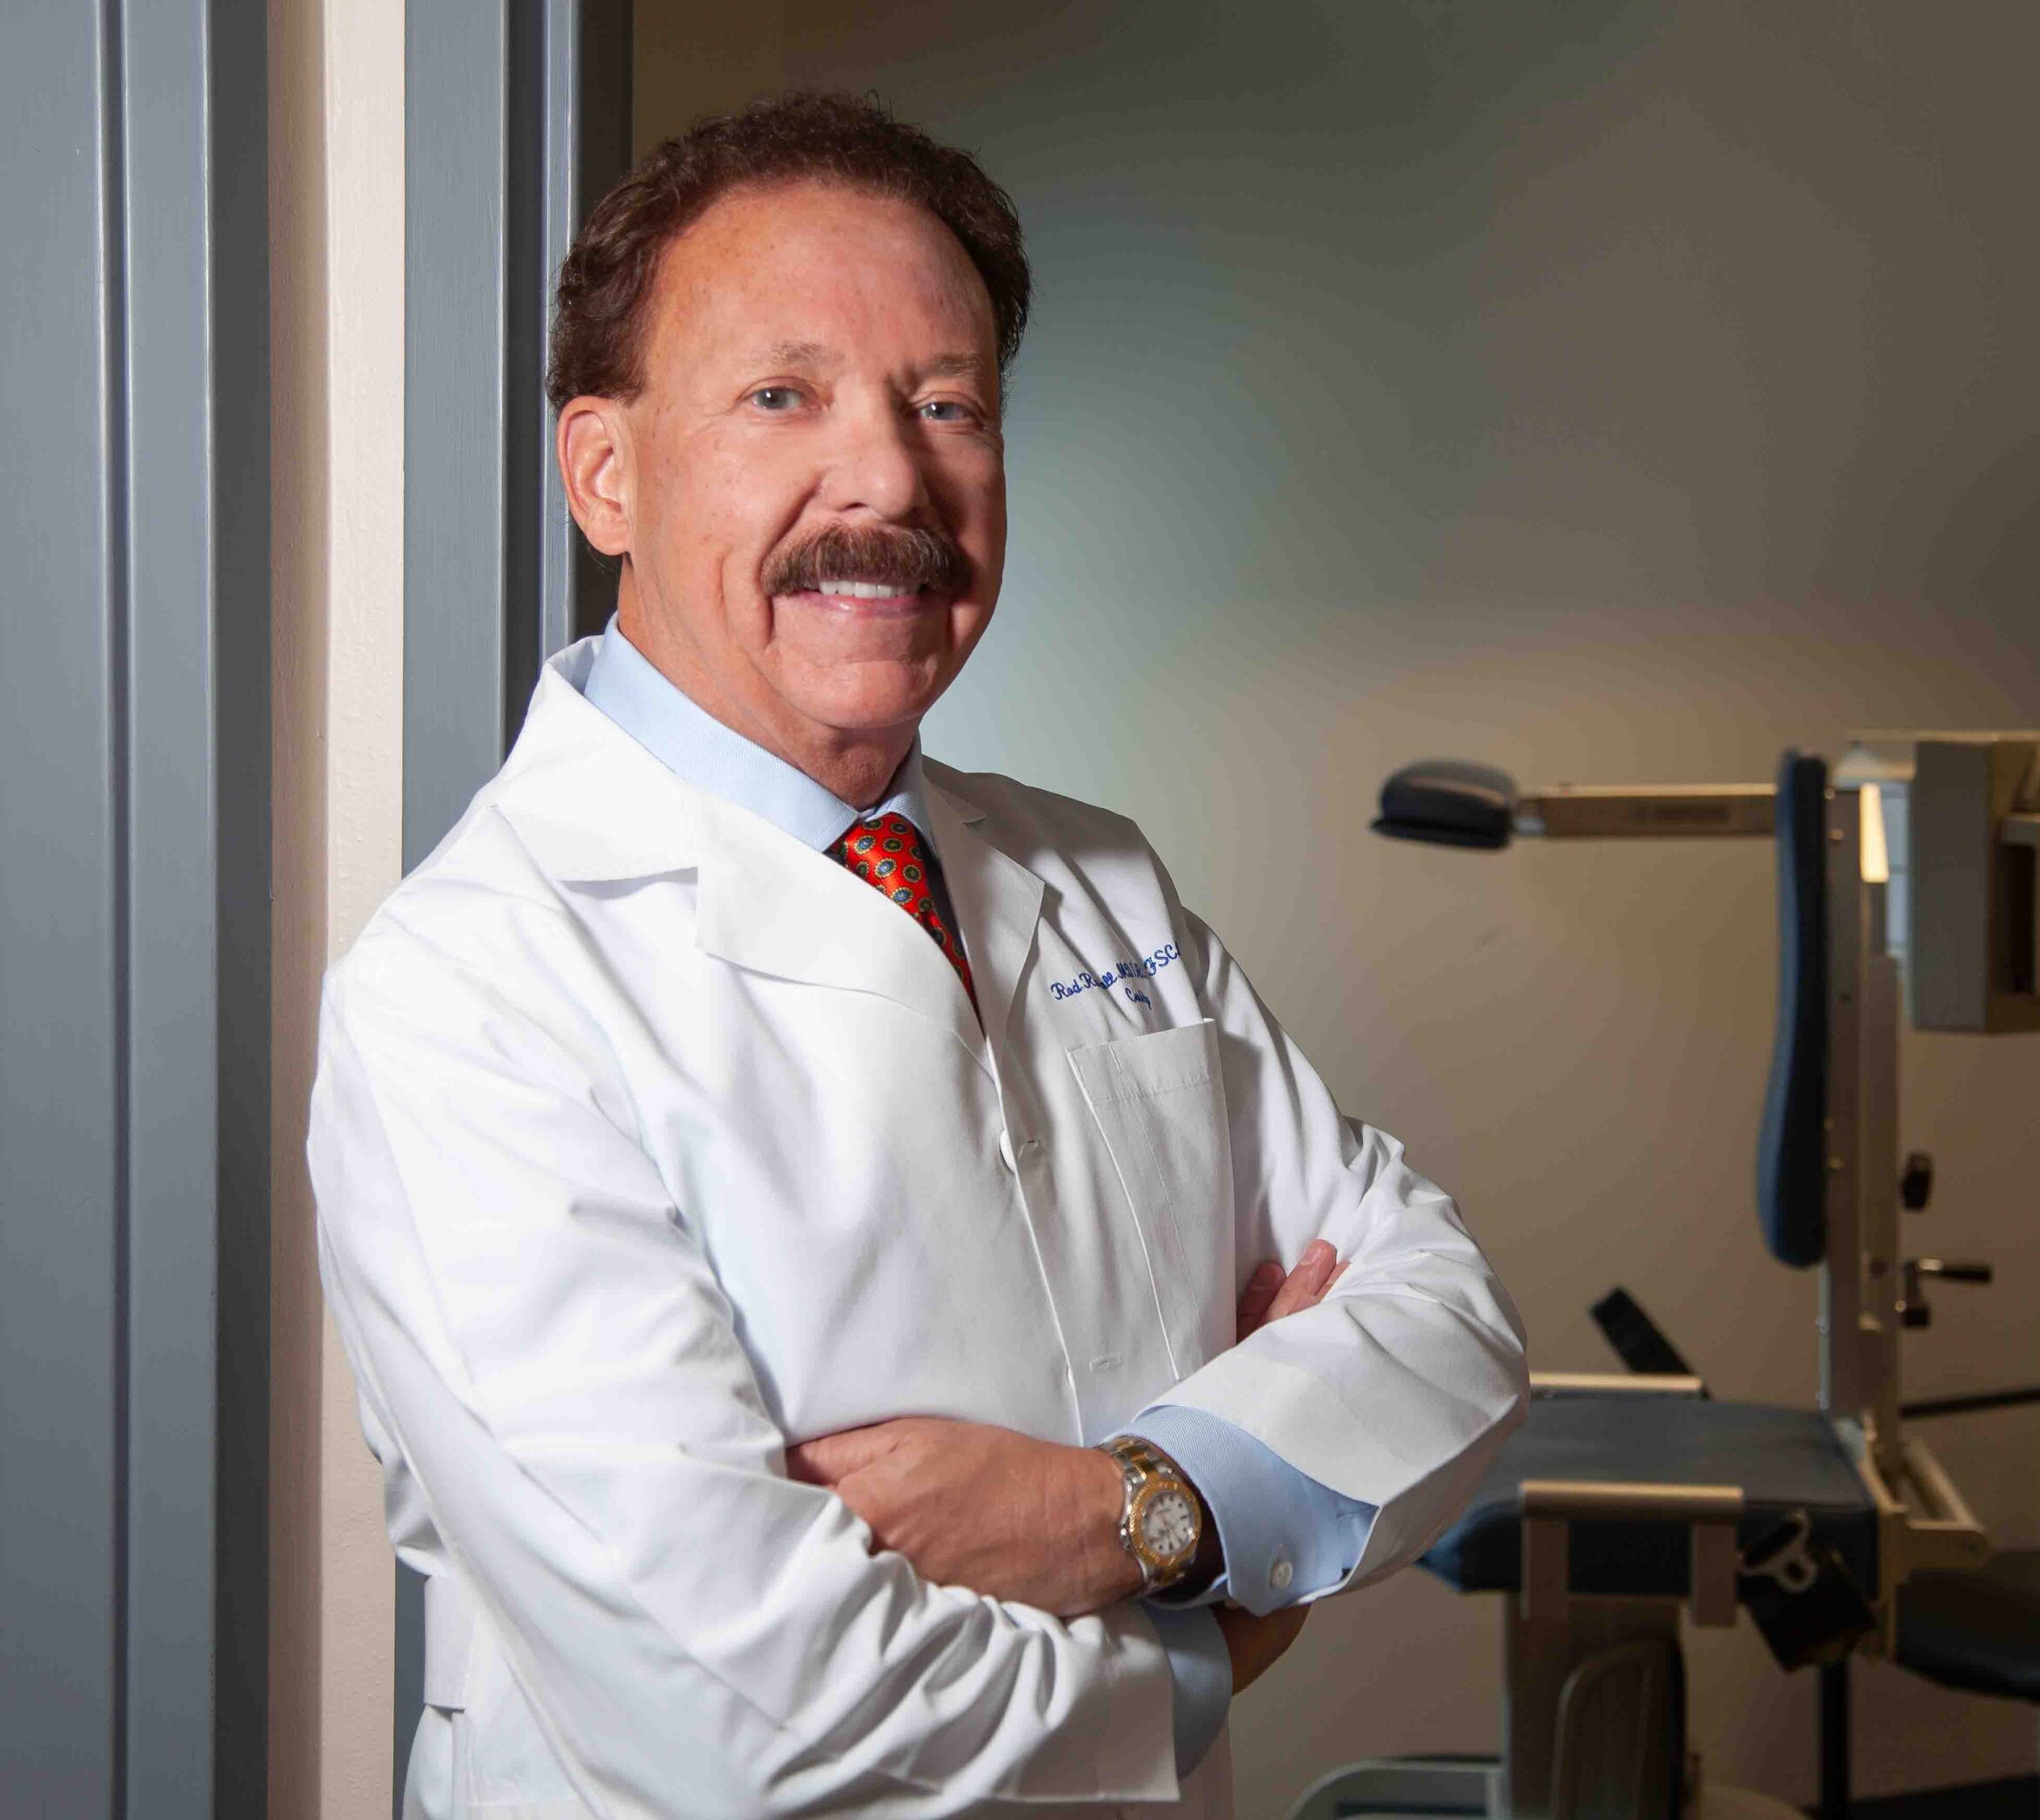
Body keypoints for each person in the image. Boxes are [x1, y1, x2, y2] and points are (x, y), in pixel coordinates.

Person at [311, 92, 1527, 1820]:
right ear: (605, 472)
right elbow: (757, 1725)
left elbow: (1450, 1328)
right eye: (781, 395)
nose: (890, 479)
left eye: (946, 404)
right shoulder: (471, 992)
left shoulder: (1092, 877)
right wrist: (1229, 1618)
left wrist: (1127, 1511)